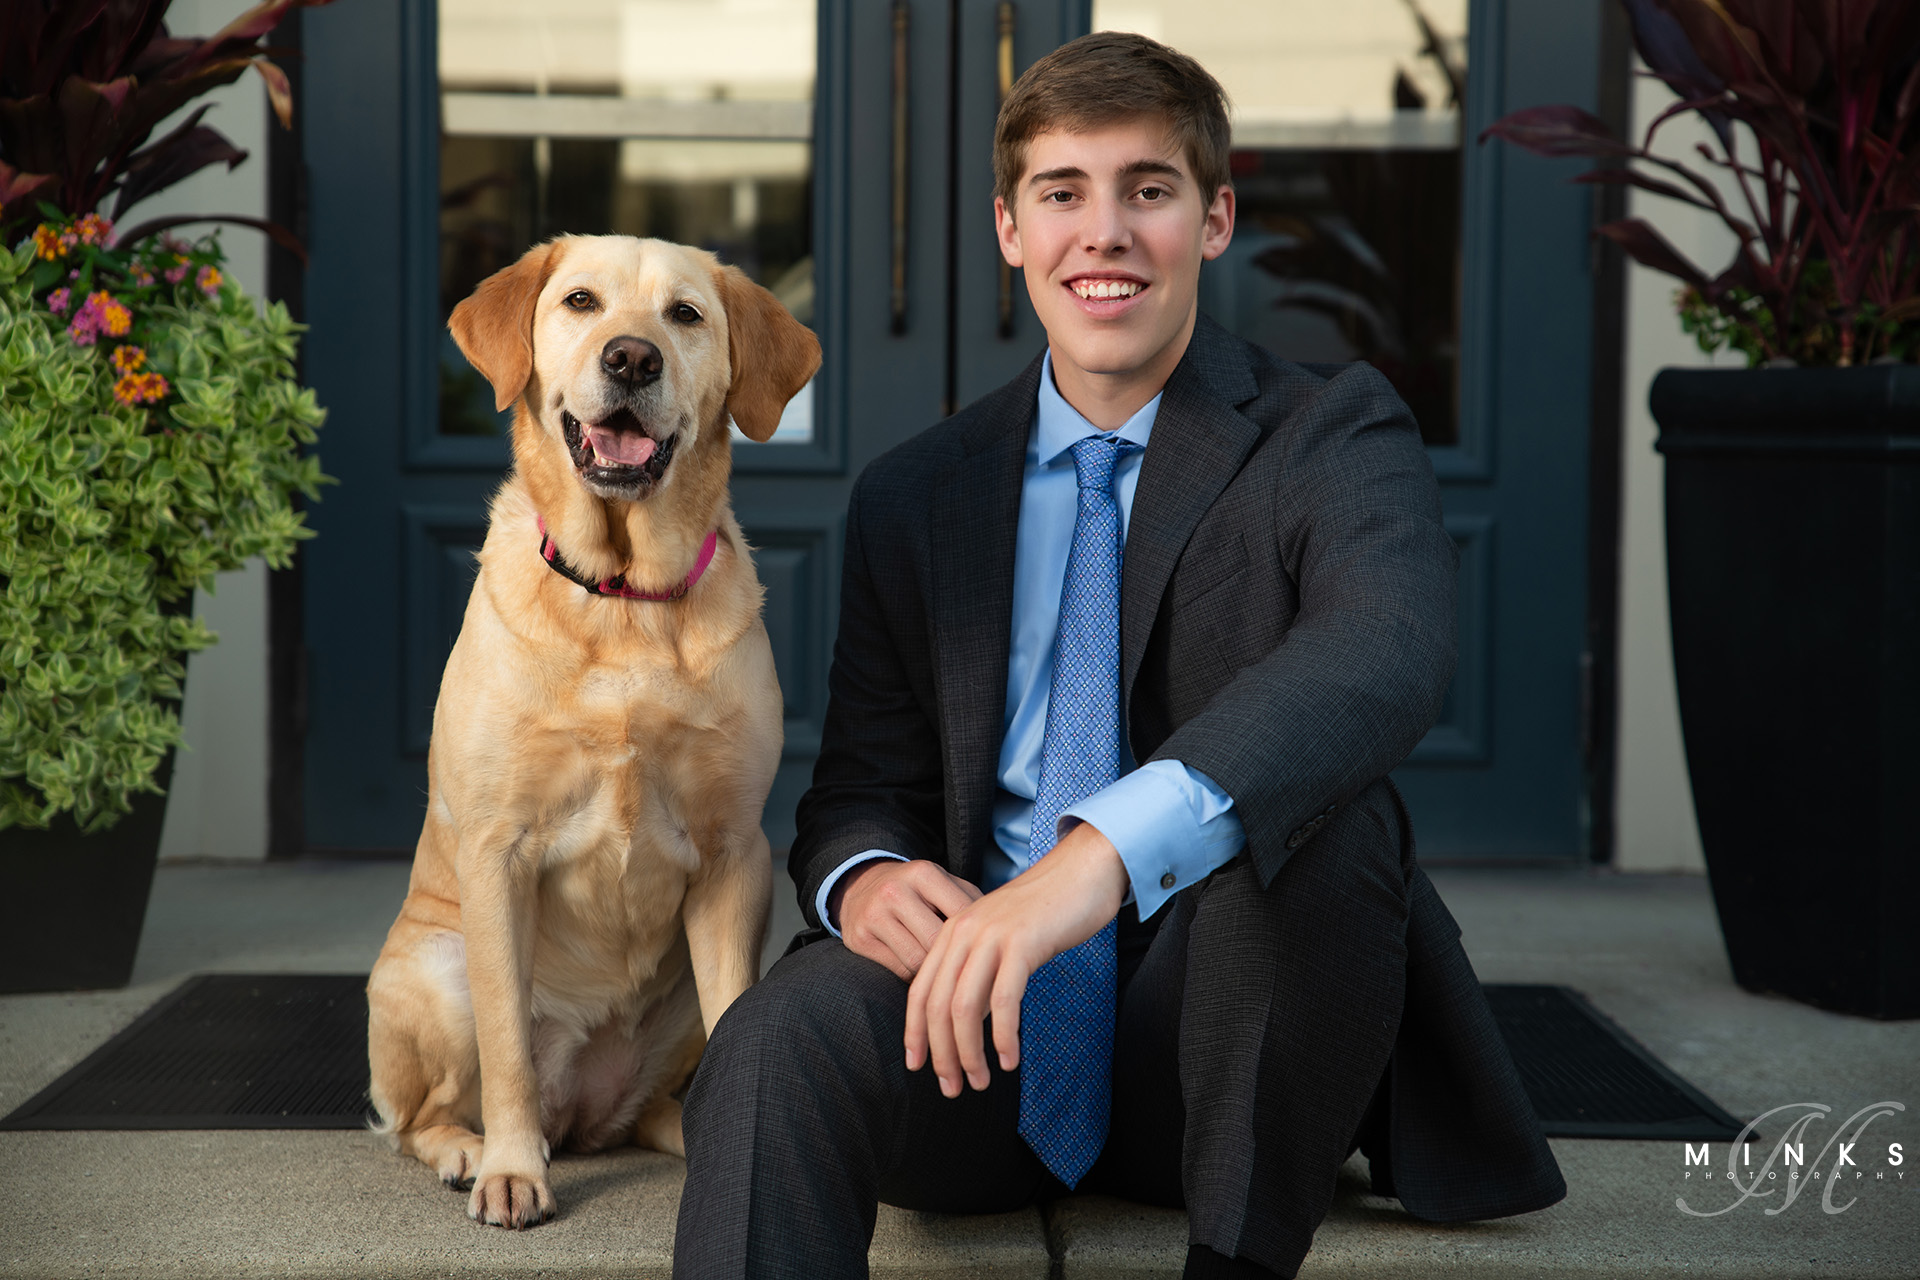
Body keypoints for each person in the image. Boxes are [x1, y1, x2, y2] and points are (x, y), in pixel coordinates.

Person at [672, 30, 1565, 1280]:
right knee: (772, 1036)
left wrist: (1097, 856)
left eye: (1148, 189)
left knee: (1330, 822)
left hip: (1220, 1049)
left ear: (1213, 219)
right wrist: (865, 875)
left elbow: (1384, 651)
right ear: (1009, 230)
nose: (1105, 232)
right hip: (969, 1024)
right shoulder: (913, 493)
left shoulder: (1328, 429)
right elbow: (855, 789)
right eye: (1062, 193)